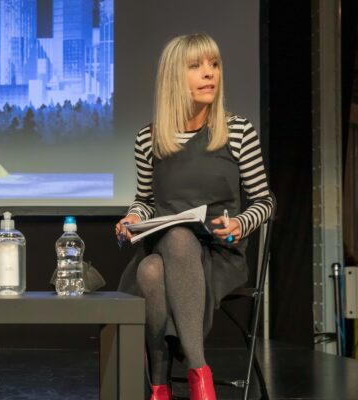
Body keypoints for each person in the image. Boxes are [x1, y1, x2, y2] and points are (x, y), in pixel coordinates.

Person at [115, 33, 274, 400]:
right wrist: (132, 218)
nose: (209, 73)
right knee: (164, 252)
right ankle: (192, 379)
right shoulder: (149, 139)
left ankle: (168, 384)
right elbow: (145, 201)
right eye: (196, 66)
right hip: (165, 247)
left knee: (156, 265)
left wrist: (240, 224)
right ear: (174, 77)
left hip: (218, 251)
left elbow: (265, 201)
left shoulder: (238, 131)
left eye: (214, 65)